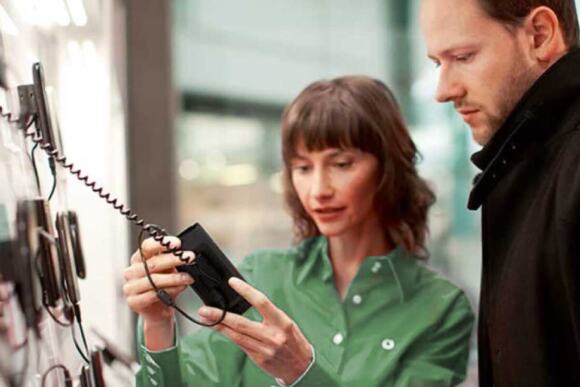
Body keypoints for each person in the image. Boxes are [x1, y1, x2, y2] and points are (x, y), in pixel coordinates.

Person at [123, 76, 474, 387]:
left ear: (388, 168)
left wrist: (300, 373)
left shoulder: (441, 309)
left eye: (341, 164)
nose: (319, 189)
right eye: (302, 167)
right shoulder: (259, 276)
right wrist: (157, 322)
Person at [420, 0, 580, 386]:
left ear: (540, 35)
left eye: (462, 56)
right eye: (437, 63)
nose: (443, 90)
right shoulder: (526, 163)